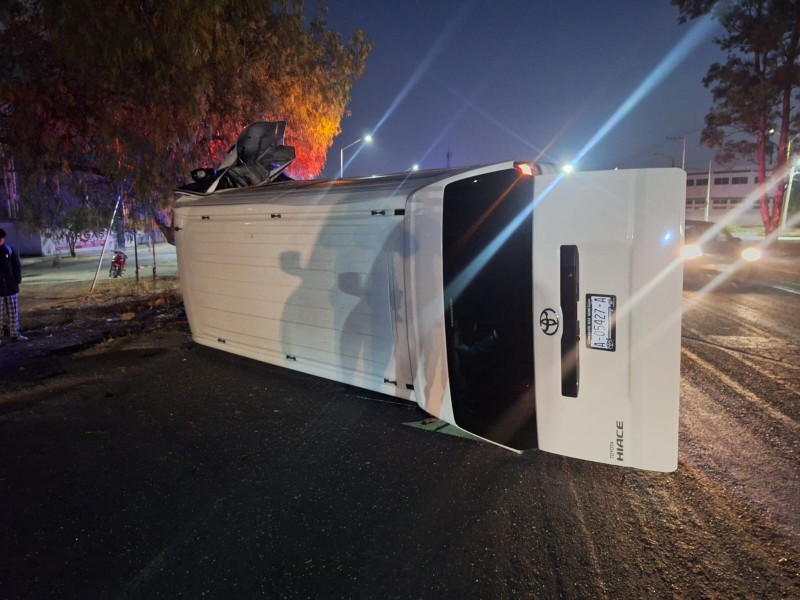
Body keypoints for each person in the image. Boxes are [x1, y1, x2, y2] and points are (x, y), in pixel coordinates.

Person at [0, 228, 27, 344]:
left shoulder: (9, 250)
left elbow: (16, 266)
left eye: (1, 238)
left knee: (13, 313)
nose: (0, 240)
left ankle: (15, 333)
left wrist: (17, 280)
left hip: (11, 288)